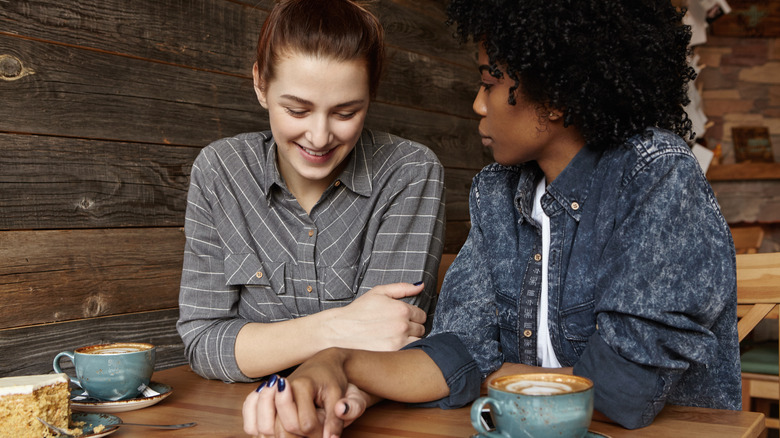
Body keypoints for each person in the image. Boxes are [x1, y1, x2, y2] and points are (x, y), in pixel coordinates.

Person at [242, 0, 741, 436]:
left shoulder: (655, 176)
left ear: (559, 95)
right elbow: (456, 352)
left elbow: (620, 393)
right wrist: (336, 361)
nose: (478, 103)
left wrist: (481, 373)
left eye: (490, 81)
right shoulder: (496, 192)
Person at [177, 0, 445, 384]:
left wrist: (261, 343)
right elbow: (203, 341)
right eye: (297, 111)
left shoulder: (410, 172)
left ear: (371, 96)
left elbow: (390, 337)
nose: (319, 137)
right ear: (260, 85)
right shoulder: (220, 171)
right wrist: (336, 327)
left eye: (346, 113)